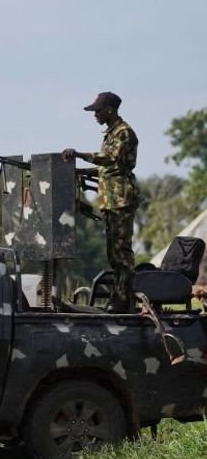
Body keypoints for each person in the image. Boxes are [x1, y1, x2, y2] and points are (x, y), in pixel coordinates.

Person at [63, 91, 140, 313]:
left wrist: (80, 154)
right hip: (111, 201)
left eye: (98, 110)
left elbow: (111, 159)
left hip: (121, 200)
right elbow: (106, 167)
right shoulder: (112, 133)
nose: (95, 115)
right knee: (113, 253)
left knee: (121, 252)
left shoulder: (124, 133)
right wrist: (80, 171)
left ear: (110, 110)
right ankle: (120, 296)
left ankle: (123, 299)